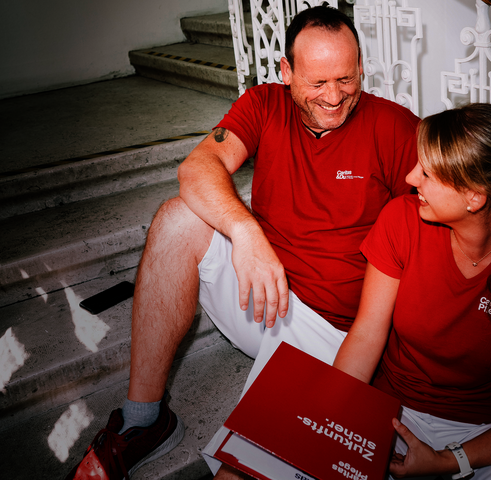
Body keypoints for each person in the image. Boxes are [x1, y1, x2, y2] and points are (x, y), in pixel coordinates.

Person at [65, 6, 420, 480]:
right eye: (317, 83)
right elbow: (196, 168)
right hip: (264, 297)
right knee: (176, 218)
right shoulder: (263, 104)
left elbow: (427, 241)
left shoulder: (396, 127)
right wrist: (246, 231)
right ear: (286, 71)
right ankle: (142, 421)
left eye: (347, 79)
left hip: (340, 337)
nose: (334, 97)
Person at [333, 103, 491, 479]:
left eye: (427, 172)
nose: (409, 177)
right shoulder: (401, 219)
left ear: (475, 197)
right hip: (396, 414)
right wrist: (326, 417)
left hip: (490, 433)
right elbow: (367, 334)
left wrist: (451, 460)